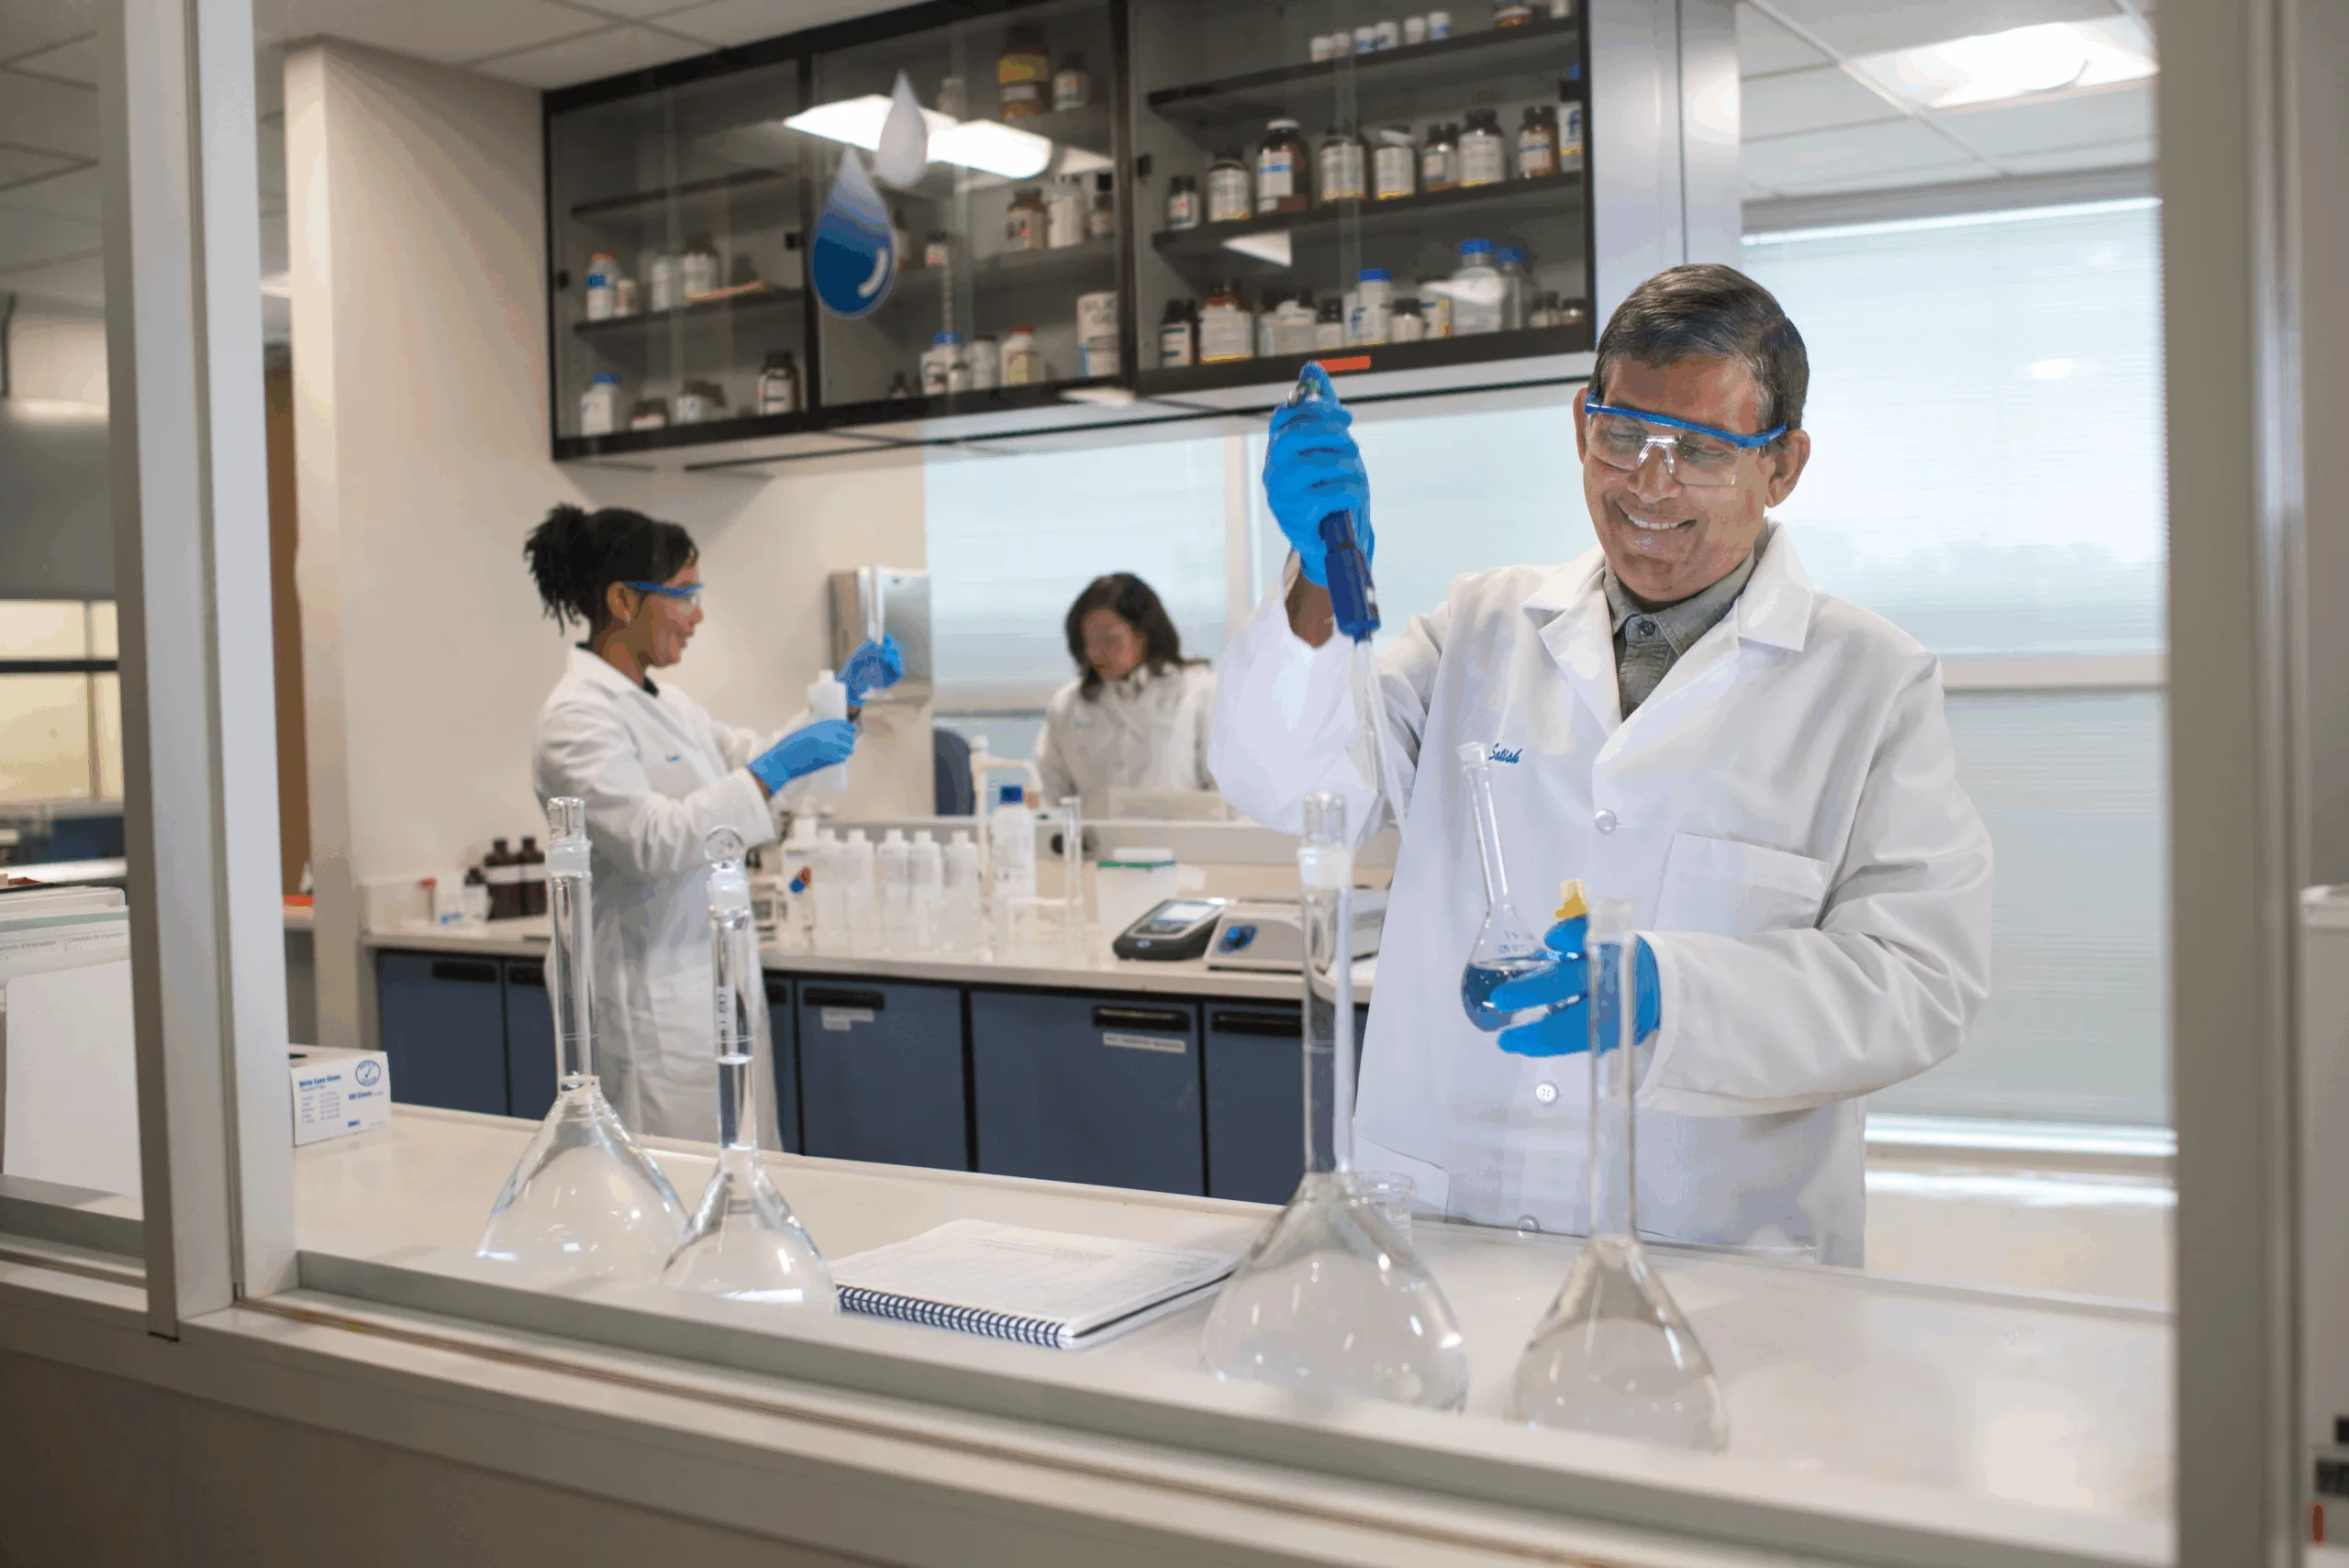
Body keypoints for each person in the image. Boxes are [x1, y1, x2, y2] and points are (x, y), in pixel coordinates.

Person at [1209, 265, 1992, 1266]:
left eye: (1701, 450)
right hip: (1450, 1228)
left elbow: (1920, 981)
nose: (1650, 485)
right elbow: (1301, 787)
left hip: (1716, 1258)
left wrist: (1675, 988)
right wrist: (1321, 580)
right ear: (1583, 424)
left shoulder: (1871, 681)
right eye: (1624, 435)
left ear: (1782, 465)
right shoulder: (1478, 626)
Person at [526, 503, 900, 1140]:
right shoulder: (576, 719)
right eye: (683, 595)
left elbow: (753, 766)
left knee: (740, 1172)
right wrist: (773, 767)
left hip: (712, 993)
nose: (696, 615)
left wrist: (843, 702)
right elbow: (654, 841)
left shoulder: (668, 704)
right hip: (651, 1009)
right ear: (622, 600)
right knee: (668, 1182)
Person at [1034, 573, 1219, 816]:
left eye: (1109, 639)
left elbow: (1226, 792)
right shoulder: (1068, 705)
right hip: (1095, 840)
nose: (1095, 652)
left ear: (1144, 634)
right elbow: (1050, 795)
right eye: (1089, 640)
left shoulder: (1198, 690)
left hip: (1182, 839)